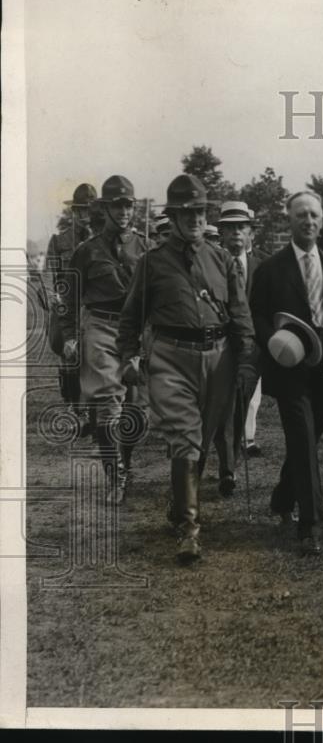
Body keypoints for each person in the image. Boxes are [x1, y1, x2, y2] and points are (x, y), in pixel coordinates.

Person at [117, 174, 254, 563]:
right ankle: (190, 531)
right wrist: (128, 355)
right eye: (186, 212)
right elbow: (130, 319)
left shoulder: (222, 259)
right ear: (173, 217)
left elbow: (240, 314)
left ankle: (180, 505)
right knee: (186, 437)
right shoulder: (151, 263)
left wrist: (245, 360)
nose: (195, 219)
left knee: (203, 438)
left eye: (200, 212)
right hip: (170, 357)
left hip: (219, 357)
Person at [250, 190, 323, 556]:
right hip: (290, 369)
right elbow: (257, 316)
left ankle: (283, 498)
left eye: (314, 214)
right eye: (301, 214)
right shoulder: (270, 269)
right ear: (290, 219)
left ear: (322, 219)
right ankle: (310, 524)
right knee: (301, 436)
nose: (308, 220)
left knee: (310, 440)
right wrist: (275, 344)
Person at [61, 176, 150, 503]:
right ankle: (116, 476)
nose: (124, 211)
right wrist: (70, 335)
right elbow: (68, 298)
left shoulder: (146, 248)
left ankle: (124, 463)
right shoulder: (87, 252)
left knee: (137, 411)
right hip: (100, 326)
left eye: (129, 205)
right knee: (107, 405)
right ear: (106, 209)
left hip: (137, 330)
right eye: (118, 205)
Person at [206, 200, 265, 496]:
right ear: (221, 233)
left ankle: (232, 462)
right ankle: (227, 471)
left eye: (241, 228)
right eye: (229, 229)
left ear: (251, 232)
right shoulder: (209, 265)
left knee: (241, 408)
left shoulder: (262, 267)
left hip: (252, 352)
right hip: (217, 347)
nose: (236, 234)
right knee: (221, 409)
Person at [46, 183, 98, 434]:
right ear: (74, 213)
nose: (84, 216)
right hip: (68, 308)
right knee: (69, 358)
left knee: (93, 360)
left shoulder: (102, 242)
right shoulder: (59, 241)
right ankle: (75, 406)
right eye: (80, 211)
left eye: (89, 211)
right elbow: (48, 275)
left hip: (93, 308)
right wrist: (52, 296)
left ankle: (90, 411)